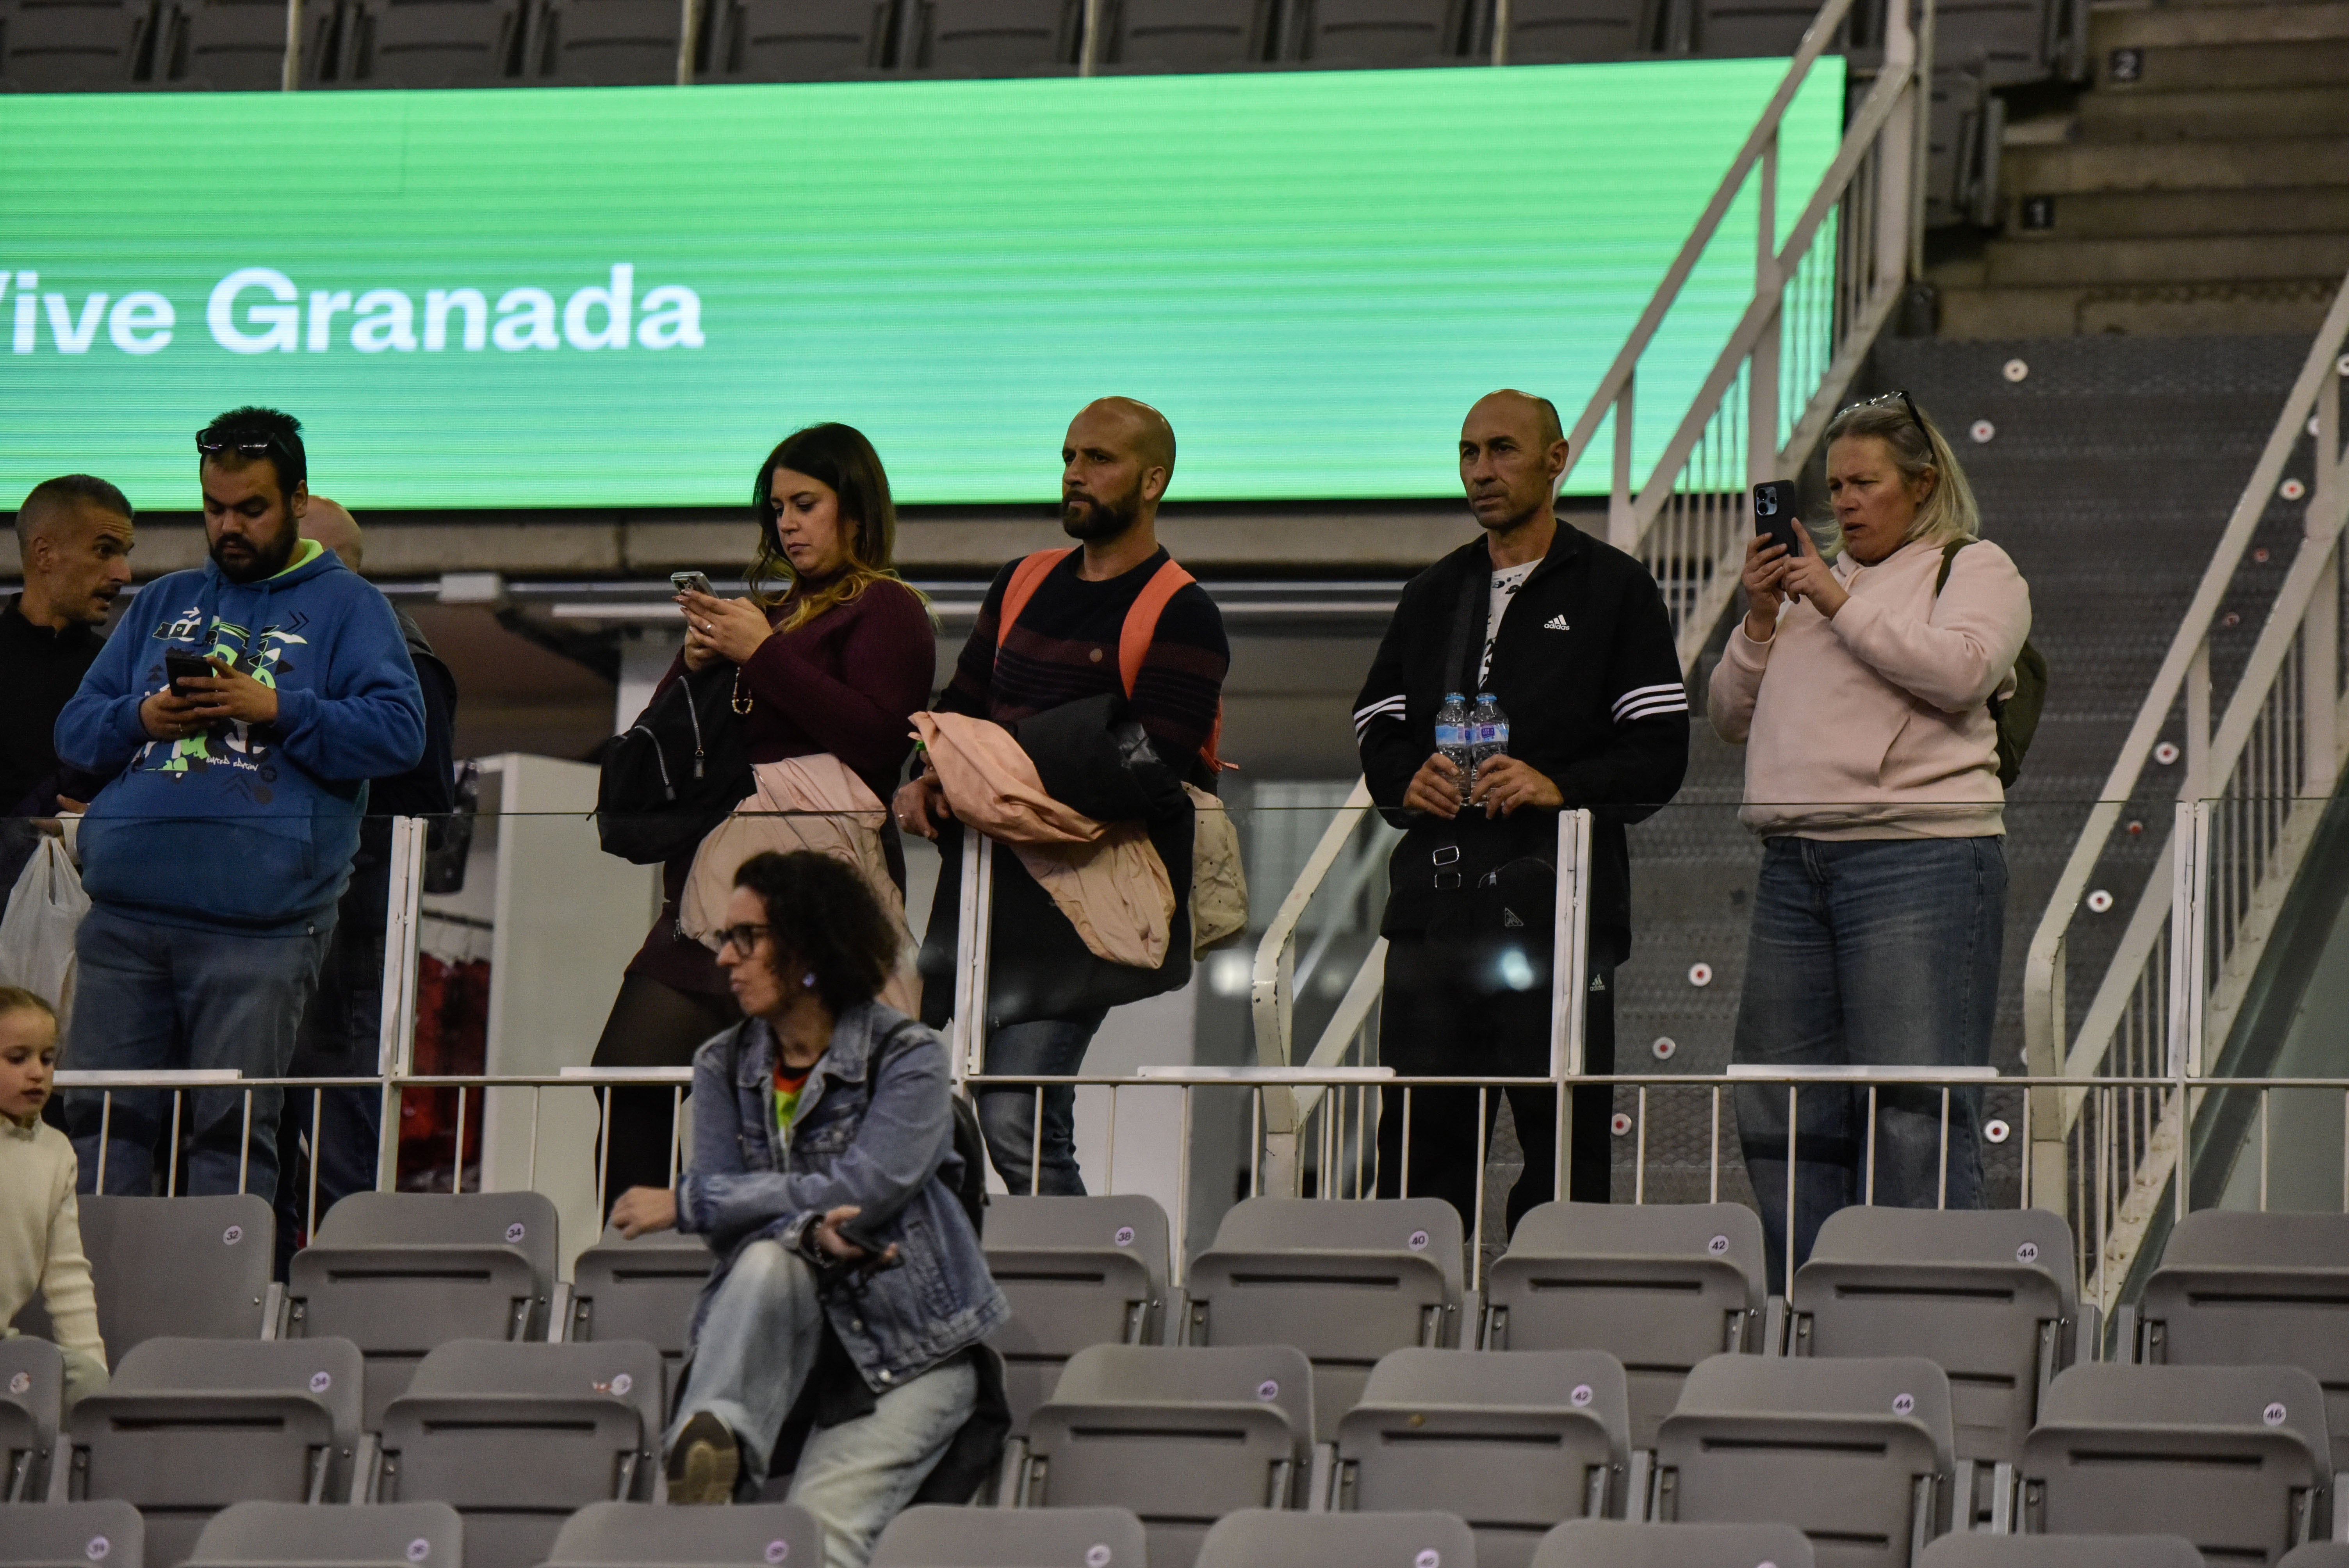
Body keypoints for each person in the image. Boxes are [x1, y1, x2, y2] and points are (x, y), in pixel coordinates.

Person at [53, 407, 426, 1198]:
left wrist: (279, 709)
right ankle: (92, 1319)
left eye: (250, 508)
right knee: (97, 1127)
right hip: (124, 917)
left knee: (231, 1136)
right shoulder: (163, 602)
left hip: (259, 931)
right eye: (214, 508)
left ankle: (220, 1319)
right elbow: (76, 732)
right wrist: (141, 716)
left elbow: (400, 735)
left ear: (296, 499)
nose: (229, 526)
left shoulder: (353, 608)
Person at [1708, 392, 2032, 1286]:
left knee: (1913, 1111)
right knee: (1780, 1107)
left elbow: (1962, 671)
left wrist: (1830, 596)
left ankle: (1919, 1312)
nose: (1843, 501)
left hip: (1918, 856)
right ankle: (1808, 1311)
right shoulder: (1809, 592)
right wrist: (1762, 615)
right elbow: (1727, 715)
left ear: (1922, 485)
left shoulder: (1972, 566)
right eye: (1834, 485)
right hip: (1792, 859)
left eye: (1864, 483)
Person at [608, 851, 1007, 1566]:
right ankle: (714, 1442)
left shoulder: (907, 1058)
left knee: (811, 1541)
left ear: (811, 944)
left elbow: (868, 1188)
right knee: (764, 1259)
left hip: (907, 1351)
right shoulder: (723, 1065)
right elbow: (748, 1226)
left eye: (746, 938)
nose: (725, 958)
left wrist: (690, 1201)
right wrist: (809, 1233)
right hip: (788, 1343)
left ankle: (714, 1461)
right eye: (724, 938)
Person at [1355, 390, 1688, 1228]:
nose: (1480, 471)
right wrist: (1407, 782)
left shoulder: (1615, 588)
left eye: (1500, 449)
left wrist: (1556, 785)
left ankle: (1558, 1338)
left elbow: (1657, 755)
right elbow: (1378, 725)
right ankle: (1418, 1340)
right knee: (1416, 1167)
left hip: (1559, 919)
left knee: (1562, 1163)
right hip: (1434, 916)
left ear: (1555, 457)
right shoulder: (1433, 593)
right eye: (1467, 452)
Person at [592, 424, 935, 1208]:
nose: (786, 523)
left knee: (805, 1110)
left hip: (818, 901)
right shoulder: (763, 616)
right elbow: (666, 754)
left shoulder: (887, 609)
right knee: (626, 1078)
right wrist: (697, 661)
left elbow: (881, 745)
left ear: (854, 508)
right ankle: (631, 1269)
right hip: (710, 893)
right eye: (776, 506)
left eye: (805, 503)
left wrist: (761, 653)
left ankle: (772, 1251)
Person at [895, 397, 1230, 1196]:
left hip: (1085, 906)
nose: (1074, 473)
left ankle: (1085, 1295)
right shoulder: (1020, 583)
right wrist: (924, 776)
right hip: (982, 892)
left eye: (1098, 459)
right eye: (1068, 456)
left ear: (1154, 480)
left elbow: (1157, 769)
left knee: (1015, 1119)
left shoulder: (1182, 608)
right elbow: (952, 714)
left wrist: (994, 763)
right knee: (950, 1118)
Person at [273, 500, 458, 1266]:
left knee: (344, 1101)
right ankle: (262, 1265)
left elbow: (423, 788)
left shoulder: (397, 652)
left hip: (350, 912)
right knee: (265, 1101)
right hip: (277, 913)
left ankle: (342, 1277)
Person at [0, 987, 107, 1407]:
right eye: (17, 1058)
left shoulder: (57, 1151)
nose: (37, 1073)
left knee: (80, 1378)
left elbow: (67, 1277)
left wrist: (96, 1381)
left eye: (47, 1058)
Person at [2, 475, 134, 816]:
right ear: (44, 554)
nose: (124, 573)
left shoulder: (123, 675)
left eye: (124, 554)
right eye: (105, 550)